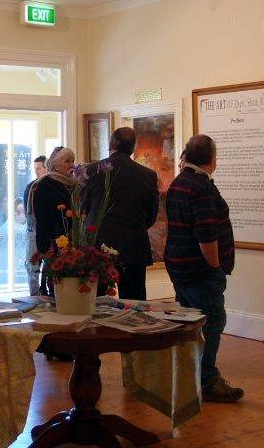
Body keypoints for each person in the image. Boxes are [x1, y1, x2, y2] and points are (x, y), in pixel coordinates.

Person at [165, 135, 243, 403]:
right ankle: (207, 379)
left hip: (179, 264)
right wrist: (216, 266)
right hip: (199, 269)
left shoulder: (179, 183)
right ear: (211, 158)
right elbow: (206, 235)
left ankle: (189, 375)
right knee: (212, 321)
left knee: (190, 320)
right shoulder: (201, 188)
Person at [83, 127, 158, 300]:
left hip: (98, 246)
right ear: (133, 147)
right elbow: (151, 215)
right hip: (133, 245)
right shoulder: (148, 175)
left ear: (110, 144)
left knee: (96, 304)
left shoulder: (92, 170)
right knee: (134, 304)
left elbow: (84, 208)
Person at [28, 147, 75, 261]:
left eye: (73, 161)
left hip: (73, 241)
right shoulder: (45, 184)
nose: (72, 165)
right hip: (54, 245)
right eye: (67, 161)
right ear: (55, 166)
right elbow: (42, 219)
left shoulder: (73, 184)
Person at [23, 155, 47, 295]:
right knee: (32, 267)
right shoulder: (31, 187)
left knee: (49, 267)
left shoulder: (51, 187)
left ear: (46, 168)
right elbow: (29, 213)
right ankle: (34, 297)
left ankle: (45, 294)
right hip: (33, 231)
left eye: (39, 168)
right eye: (35, 168)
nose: (36, 171)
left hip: (47, 232)